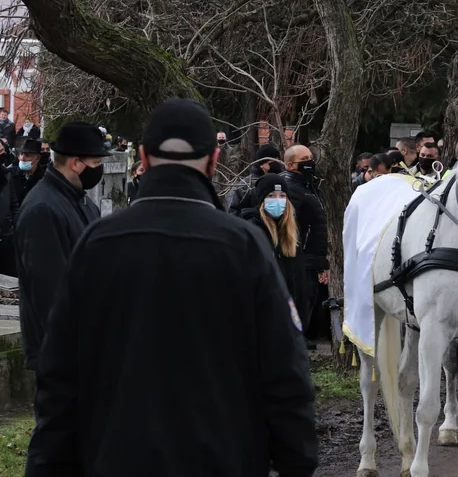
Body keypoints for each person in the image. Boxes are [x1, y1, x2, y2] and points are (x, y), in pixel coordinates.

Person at [25, 99, 317, 476]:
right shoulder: (244, 247)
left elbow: (60, 378)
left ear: (144, 158)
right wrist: (296, 461)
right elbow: (285, 374)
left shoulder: (98, 245)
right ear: (213, 161)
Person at [13, 122, 106, 369]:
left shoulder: (83, 203)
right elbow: (50, 293)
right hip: (61, 354)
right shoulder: (42, 209)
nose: (99, 170)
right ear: (75, 163)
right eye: (96, 163)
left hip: (84, 345)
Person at [283, 145, 328, 347]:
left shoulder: (309, 186)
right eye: (305, 159)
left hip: (311, 262)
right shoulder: (291, 188)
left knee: (307, 313)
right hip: (300, 262)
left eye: (311, 157)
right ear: (290, 164)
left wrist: (321, 264)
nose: (310, 162)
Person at [241, 173, 305, 303]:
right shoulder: (253, 230)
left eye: (282, 196)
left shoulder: (290, 232)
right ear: (262, 200)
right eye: (271, 196)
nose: (277, 200)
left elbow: (299, 279)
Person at [0, 138, 43, 276]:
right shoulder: (10, 174)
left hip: (31, 232)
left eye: (28, 155)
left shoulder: (45, 178)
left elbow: (13, 205)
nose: (23, 158)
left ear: (37, 157)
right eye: (21, 154)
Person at [226, 144, 285, 217]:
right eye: (273, 162)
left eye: (278, 160)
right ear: (262, 164)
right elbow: (233, 212)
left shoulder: (284, 180)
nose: (277, 164)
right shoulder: (247, 185)